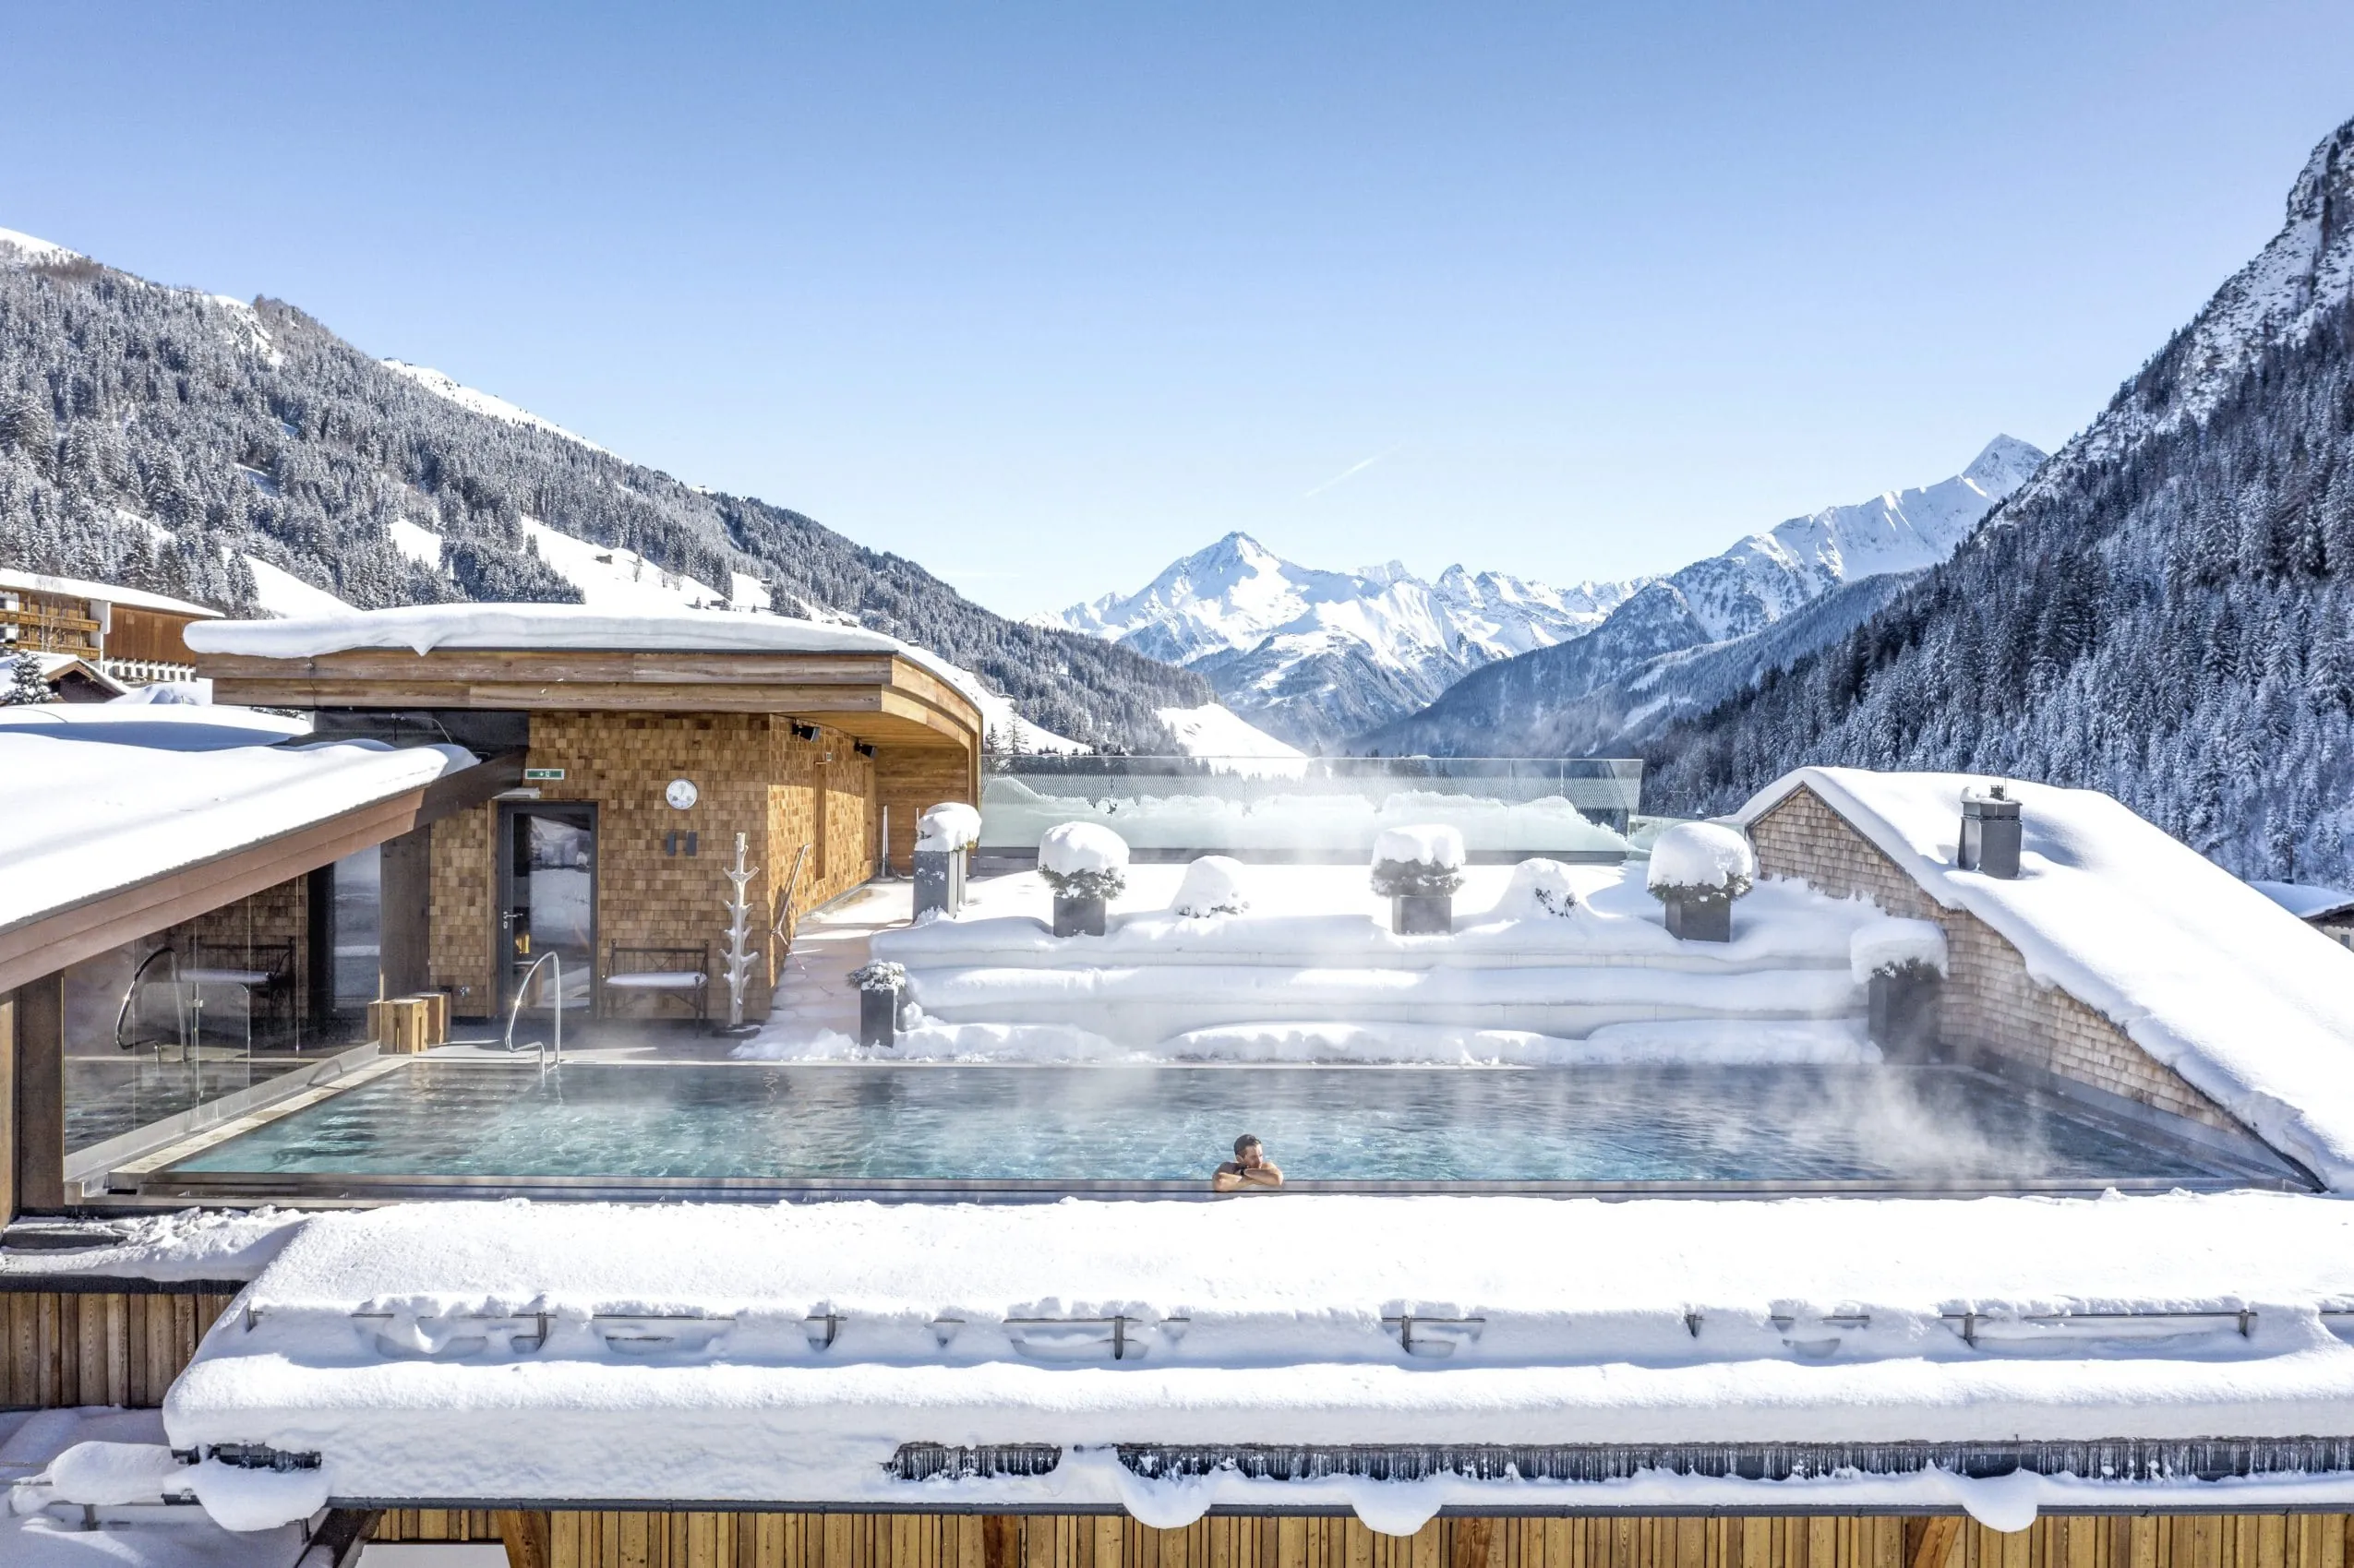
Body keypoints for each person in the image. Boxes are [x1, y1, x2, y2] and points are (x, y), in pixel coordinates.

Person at [1212, 1133, 1284, 1191]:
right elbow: (1220, 1182)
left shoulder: (1266, 1167)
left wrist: (1243, 1172)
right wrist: (1255, 1180)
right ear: (1239, 1159)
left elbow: (1277, 1178)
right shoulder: (1230, 1167)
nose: (1259, 1161)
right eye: (1253, 1157)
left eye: (1260, 1155)